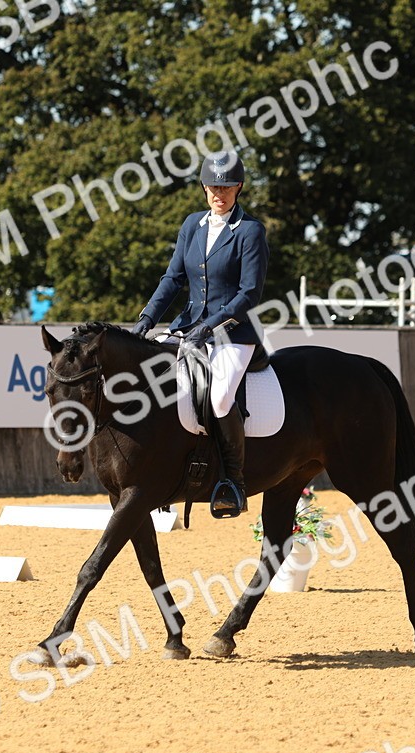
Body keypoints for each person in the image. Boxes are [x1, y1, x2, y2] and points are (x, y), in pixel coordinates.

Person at [131, 150, 269, 518]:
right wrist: (146, 319)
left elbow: (249, 293)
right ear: (204, 187)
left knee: (221, 398)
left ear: (239, 187)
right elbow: (174, 278)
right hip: (189, 327)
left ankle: (233, 483)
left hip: (233, 334)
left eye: (225, 186)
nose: (218, 193)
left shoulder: (251, 231)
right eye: (212, 186)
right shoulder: (193, 224)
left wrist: (210, 325)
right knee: (157, 383)